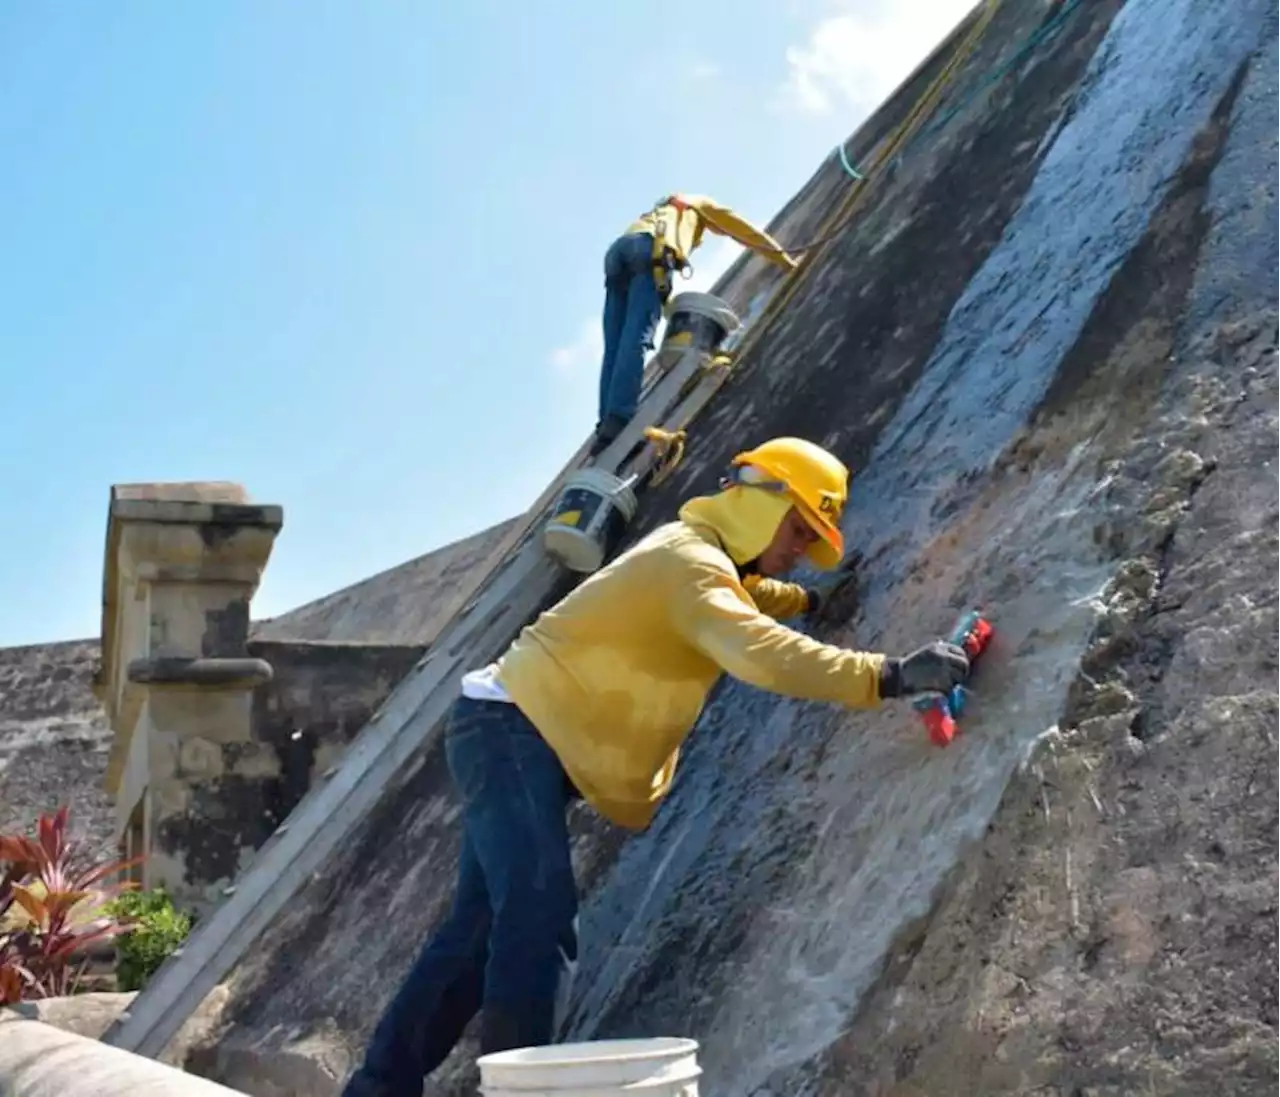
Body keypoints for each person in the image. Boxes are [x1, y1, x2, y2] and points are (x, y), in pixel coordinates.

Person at [341, 436, 971, 1097]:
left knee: (476, 937)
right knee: (540, 914)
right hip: (512, 726)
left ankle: (378, 1088)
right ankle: (519, 1092)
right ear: (762, 503)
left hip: (516, 730)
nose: (801, 550)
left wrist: (812, 601)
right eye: (798, 529)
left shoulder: (702, 562)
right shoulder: (690, 568)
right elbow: (758, 651)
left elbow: (752, 596)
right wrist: (891, 674)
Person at [590, 194, 800, 457]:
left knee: (616, 345)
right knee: (637, 338)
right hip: (650, 250)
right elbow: (743, 231)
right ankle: (620, 417)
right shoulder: (698, 204)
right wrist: (785, 261)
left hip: (618, 253)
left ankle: (606, 426)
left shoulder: (657, 213)